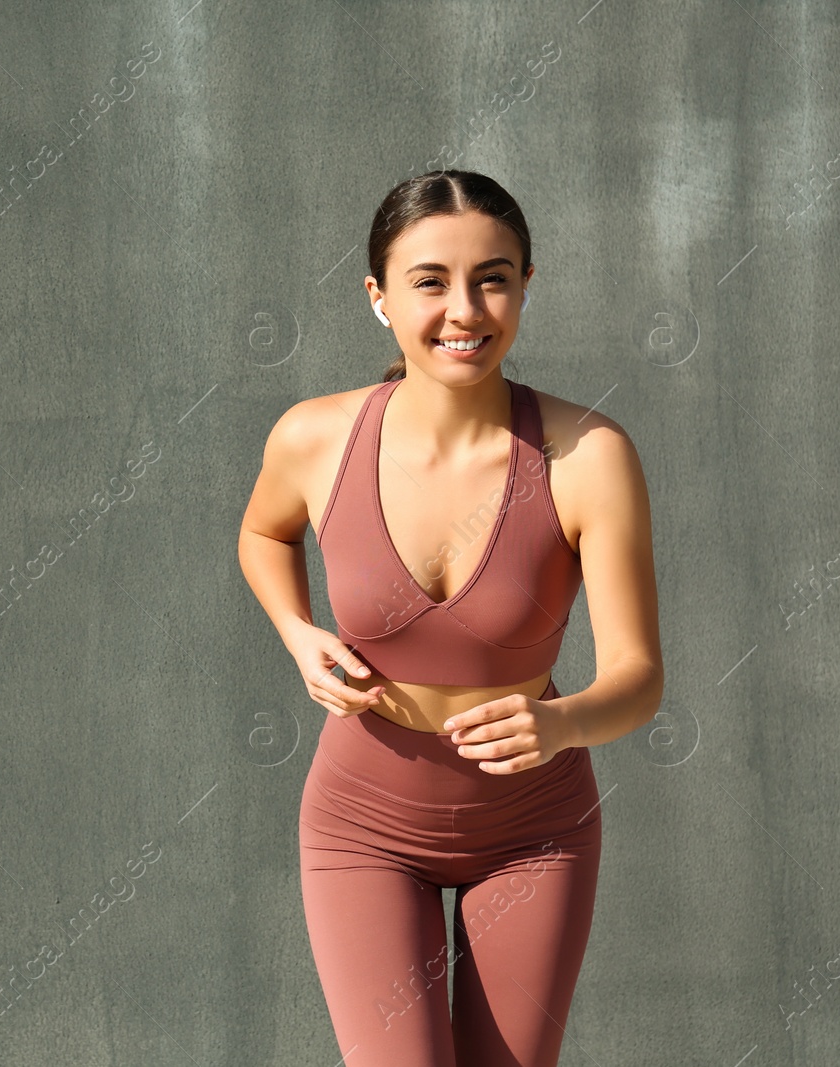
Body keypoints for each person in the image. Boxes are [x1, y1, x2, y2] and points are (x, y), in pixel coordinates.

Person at [237, 170, 664, 1065]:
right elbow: (262, 533)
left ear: (526, 285)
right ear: (379, 298)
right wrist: (297, 630)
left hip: (534, 835)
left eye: (494, 277)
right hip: (361, 825)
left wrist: (559, 723)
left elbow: (638, 679)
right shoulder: (315, 437)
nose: (464, 309)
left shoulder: (589, 456)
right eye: (429, 281)